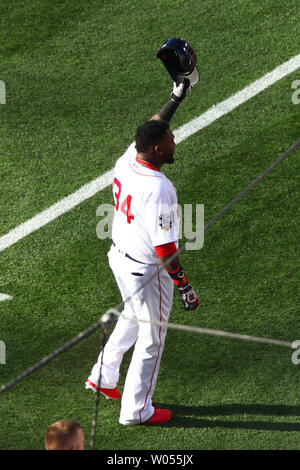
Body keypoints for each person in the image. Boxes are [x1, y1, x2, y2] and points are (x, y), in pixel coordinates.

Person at [86, 79, 199, 425]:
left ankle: (102, 376)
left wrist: (175, 98)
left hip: (119, 259)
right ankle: (136, 411)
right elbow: (165, 248)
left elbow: (153, 125)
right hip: (148, 270)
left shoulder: (129, 158)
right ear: (158, 151)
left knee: (135, 316)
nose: (173, 139)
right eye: (169, 139)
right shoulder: (161, 188)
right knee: (152, 339)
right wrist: (183, 284)